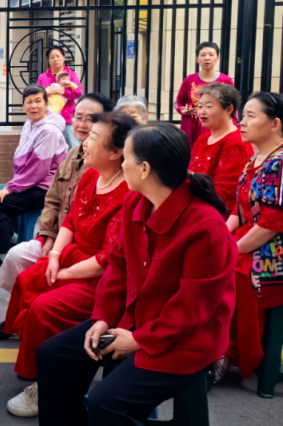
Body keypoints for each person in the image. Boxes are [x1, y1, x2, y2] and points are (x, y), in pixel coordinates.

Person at [36, 124, 237, 426]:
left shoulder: (206, 226)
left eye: (126, 158)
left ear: (144, 169)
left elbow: (193, 307)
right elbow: (119, 267)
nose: (122, 164)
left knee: (106, 404)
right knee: (53, 356)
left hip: (183, 340)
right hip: (132, 319)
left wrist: (140, 340)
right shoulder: (135, 202)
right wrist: (103, 317)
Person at [4, 112, 136, 417]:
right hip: (74, 257)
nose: (85, 141)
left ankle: (46, 384)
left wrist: (63, 273)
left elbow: (106, 260)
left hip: (101, 278)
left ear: (116, 152)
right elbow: (71, 221)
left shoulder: (127, 192)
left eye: (94, 137)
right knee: (28, 279)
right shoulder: (90, 176)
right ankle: (39, 364)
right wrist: (54, 256)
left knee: (44, 306)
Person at [0, 92, 113, 339]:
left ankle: (32, 315)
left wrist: (11, 188)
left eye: (91, 119)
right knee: (16, 256)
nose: (82, 124)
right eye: (78, 117)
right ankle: (19, 314)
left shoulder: (105, 163)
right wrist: (48, 235)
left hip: (85, 246)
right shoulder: (72, 154)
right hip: (61, 235)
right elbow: (53, 199)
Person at [221, 92, 283, 381]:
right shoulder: (255, 159)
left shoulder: (279, 163)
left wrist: (229, 251)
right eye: (242, 115)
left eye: (250, 116)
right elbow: (240, 210)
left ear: (275, 124)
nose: (241, 122)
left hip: (272, 249)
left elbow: (271, 224)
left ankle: (227, 352)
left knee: (230, 273)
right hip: (251, 238)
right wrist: (220, 238)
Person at [0, 85, 68, 276]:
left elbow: (38, 169)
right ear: (23, 105)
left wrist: (11, 188)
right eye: (29, 102)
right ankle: (12, 238)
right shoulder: (30, 124)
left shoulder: (49, 131)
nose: (33, 106)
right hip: (31, 183)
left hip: (46, 188)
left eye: (38, 101)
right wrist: (13, 185)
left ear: (46, 104)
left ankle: (4, 259)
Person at [189, 84, 252, 216]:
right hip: (195, 205)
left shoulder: (236, 142)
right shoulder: (203, 139)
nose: (202, 112)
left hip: (218, 214)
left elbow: (225, 193)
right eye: (200, 106)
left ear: (229, 109)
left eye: (209, 106)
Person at [175, 41, 236, 146]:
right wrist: (182, 109)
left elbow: (232, 107)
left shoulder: (226, 80)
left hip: (213, 124)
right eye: (203, 55)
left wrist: (232, 128)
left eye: (211, 55)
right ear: (197, 59)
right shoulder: (189, 80)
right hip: (190, 124)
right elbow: (177, 103)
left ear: (217, 58)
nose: (207, 58)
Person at [37, 45, 83, 149]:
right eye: (52, 57)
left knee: (73, 150)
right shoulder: (43, 77)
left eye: (58, 56)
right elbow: (38, 96)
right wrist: (48, 93)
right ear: (48, 60)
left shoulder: (71, 75)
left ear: (63, 58)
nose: (55, 59)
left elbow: (78, 92)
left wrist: (61, 91)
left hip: (67, 120)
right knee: (49, 150)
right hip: (48, 121)